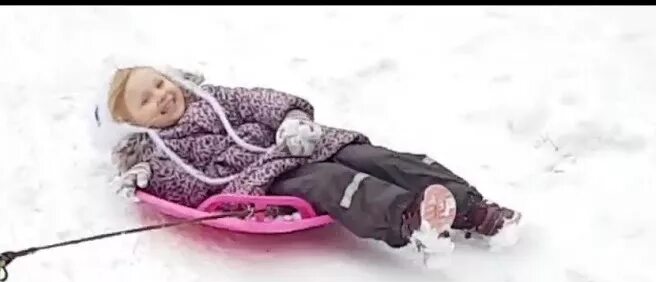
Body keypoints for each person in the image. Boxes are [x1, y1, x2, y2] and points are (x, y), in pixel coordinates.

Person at [93, 65, 522, 260]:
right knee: (332, 180)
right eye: (145, 101)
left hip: (298, 145)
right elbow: (186, 190)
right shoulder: (161, 152)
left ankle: (474, 210)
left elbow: (264, 102)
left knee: (375, 158)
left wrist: (292, 120)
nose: (162, 95)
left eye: (159, 83)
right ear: (133, 125)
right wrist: (145, 177)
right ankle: (410, 219)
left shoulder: (216, 97)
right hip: (262, 184)